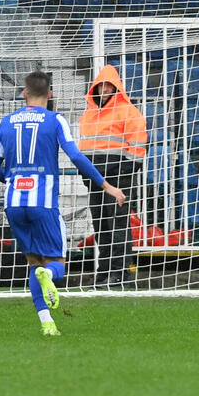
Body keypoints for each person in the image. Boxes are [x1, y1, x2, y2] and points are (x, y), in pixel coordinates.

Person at [0, 70, 125, 336]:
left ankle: (47, 322)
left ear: (24, 94)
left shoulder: (6, 122)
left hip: (14, 204)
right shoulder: (55, 120)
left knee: (33, 263)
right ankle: (47, 278)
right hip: (43, 202)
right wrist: (106, 185)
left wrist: (16, 179)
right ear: (50, 95)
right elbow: (76, 156)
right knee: (56, 265)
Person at [77, 64, 147, 287]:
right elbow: (83, 148)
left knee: (117, 225)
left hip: (118, 178)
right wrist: (86, 173)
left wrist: (121, 174)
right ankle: (105, 270)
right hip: (96, 178)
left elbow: (138, 149)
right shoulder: (88, 114)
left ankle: (119, 272)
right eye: (101, 86)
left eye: (108, 86)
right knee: (101, 226)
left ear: (116, 88)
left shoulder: (128, 112)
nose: (104, 90)